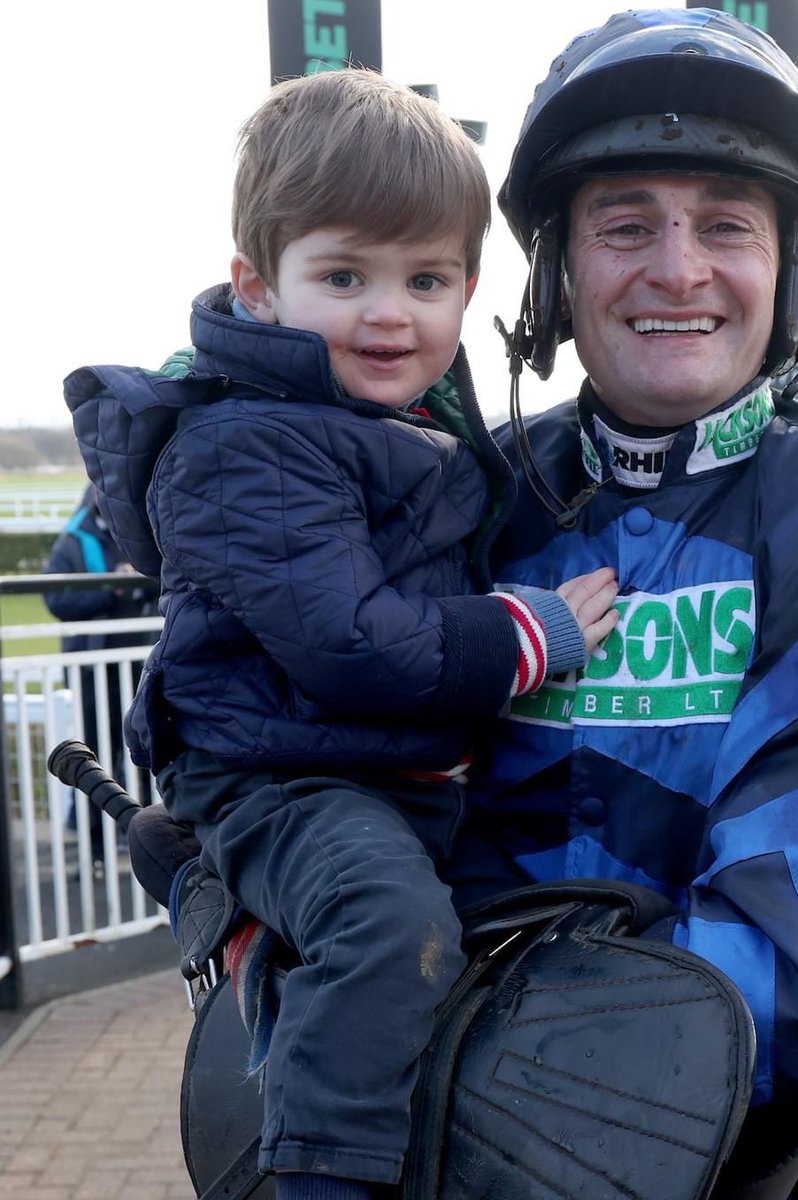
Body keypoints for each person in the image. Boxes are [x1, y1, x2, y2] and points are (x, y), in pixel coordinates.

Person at [439, 9, 798, 1190]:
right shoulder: (466, 498)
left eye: (726, 224)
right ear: (557, 271)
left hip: (710, 1156)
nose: (677, 269)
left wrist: (459, 1059)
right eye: (625, 224)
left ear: (790, 270)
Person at [64, 70, 618, 1200]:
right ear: (258, 288)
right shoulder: (248, 444)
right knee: (386, 930)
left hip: (372, 767)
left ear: (468, 288)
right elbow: (350, 644)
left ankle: (207, 882)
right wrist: (527, 634)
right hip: (284, 773)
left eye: (426, 279)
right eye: (345, 276)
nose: (390, 312)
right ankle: (321, 1176)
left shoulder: (402, 426)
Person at [44, 484, 156, 868]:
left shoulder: (140, 531)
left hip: (140, 665)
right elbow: (56, 600)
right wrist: (112, 587)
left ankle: (148, 842)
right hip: (94, 668)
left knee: (143, 752)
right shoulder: (74, 540)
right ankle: (94, 849)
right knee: (96, 755)